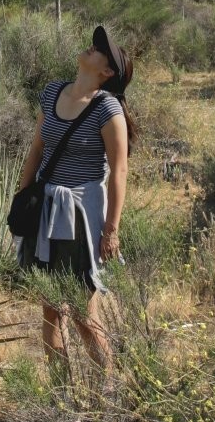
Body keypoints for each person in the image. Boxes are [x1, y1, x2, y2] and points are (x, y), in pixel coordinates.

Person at [17, 25, 135, 373]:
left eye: (100, 49)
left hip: (82, 215)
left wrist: (111, 230)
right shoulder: (53, 92)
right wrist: (22, 200)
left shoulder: (107, 109)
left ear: (107, 71)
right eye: (95, 43)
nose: (91, 47)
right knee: (51, 309)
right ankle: (60, 398)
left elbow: (119, 171)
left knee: (84, 311)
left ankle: (107, 396)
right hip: (46, 210)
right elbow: (37, 149)